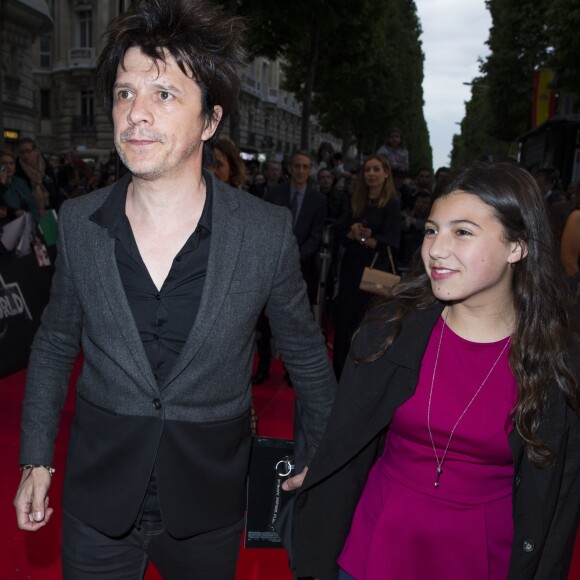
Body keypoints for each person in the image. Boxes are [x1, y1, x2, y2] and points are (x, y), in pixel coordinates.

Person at [13, 1, 336, 578]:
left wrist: (317, 455)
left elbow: (308, 355)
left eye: (163, 94)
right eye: (123, 93)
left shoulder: (262, 233)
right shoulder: (82, 222)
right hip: (98, 497)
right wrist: (36, 457)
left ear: (210, 121)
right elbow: (56, 342)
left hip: (208, 505)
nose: (135, 113)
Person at [288, 162, 580, 580]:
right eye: (431, 230)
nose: (436, 249)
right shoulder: (388, 333)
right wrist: (326, 468)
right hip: (373, 548)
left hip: (481, 559)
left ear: (517, 246)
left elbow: (559, 506)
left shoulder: (557, 364)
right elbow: (351, 432)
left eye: (462, 232)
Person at [252, 151, 328, 385]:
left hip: (302, 269)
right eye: (297, 166)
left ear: (310, 169)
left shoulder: (318, 200)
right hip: (270, 268)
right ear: (290, 168)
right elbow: (264, 227)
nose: (300, 171)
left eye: (305, 167)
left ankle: (290, 372)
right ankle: (263, 367)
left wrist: (294, 258)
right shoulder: (274, 194)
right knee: (264, 323)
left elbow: (316, 236)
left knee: (295, 323)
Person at [332, 154, 401, 379]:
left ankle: (362, 377)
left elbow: (393, 241)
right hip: (351, 270)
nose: (371, 174)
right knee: (344, 323)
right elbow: (339, 232)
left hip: (375, 275)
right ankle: (340, 373)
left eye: (376, 169)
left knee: (369, 326)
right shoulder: (356, 199)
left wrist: (369, 239)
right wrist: (352, 232)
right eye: (367, 170)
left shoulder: (391, 203)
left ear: (385, 173)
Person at [0, 150, 41, 222]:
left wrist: (33, 219)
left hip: (26, 223)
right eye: (4, 164)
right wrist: (2, 183)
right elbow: (11, 204)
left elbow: (32, 203)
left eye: (11, 163)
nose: (8, 167)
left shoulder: (20, 182)